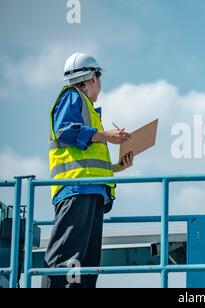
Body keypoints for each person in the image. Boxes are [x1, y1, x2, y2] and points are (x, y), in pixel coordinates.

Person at [42, 52, 134, 288]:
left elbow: (87, 159)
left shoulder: (88, 110)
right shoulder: (72, 97)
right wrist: (106, 135)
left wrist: (117, 166)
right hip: (76, 189)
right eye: (99, 79)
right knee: (68, 259)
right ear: (93, 77)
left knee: (87, 263)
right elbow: (64, 131)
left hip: (90, 190)